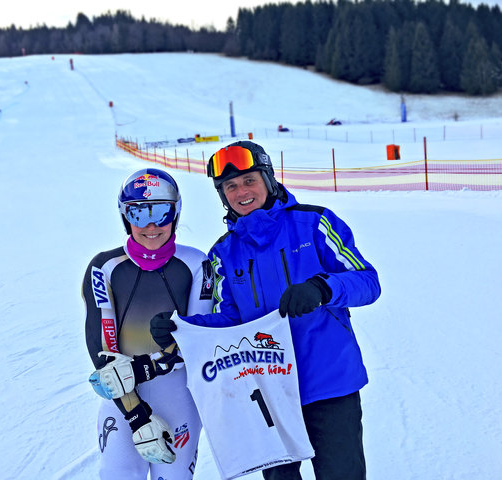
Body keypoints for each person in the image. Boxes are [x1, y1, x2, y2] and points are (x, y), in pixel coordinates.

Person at [151, 141, 381, 480]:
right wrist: (183, 329)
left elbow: (368, 282)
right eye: (230, 186)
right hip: (267, 392)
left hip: (330, 385)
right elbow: (229, 319)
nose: (241, 191)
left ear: (269, 179)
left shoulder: (314, 223)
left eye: (249, 180)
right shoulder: (223, 253)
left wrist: (322, 288)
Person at [83, 168, 214, 480]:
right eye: (139, 214)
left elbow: (198, 340)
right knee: (118, 474)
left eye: (161, 212)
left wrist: (145, 368)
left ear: (176, 213)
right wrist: (137, 415)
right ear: (125, 217)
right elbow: (106, 356)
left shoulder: (198, 265)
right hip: (123, 399)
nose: (151, 225)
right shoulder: (105, 267)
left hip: (180, 396)